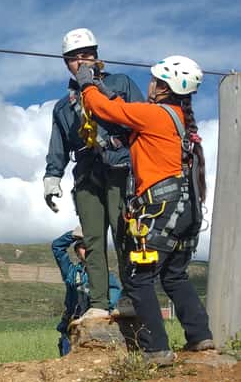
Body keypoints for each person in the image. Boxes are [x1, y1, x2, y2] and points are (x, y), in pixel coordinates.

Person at [77, 55, 215, 365]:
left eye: (154, 80)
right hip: (186, 210)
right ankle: (200, 335)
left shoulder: (154, 115)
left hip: (160, 208)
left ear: (164, 87)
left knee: (138, 278)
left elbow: (105, 109)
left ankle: (156, 350)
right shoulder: (178, 120)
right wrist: (103, 87)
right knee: (174, 275)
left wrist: (87, 84)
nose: (149, 84)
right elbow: (124, 112)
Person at [44, 28, 144, 321]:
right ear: (67, 64)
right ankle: (99, 303)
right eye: (74, 58)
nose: (81, 61)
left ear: (97, 57)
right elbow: (58, 147)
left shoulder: (120, 84)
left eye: (86, 55)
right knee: (92, 241)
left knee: (125, 234)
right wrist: (52, 177)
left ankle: (131, 297)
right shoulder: (63, 107)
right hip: (87, 175)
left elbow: (143, 122)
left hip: (120, 168)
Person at [53, 225, 121, 355]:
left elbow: (114, 295)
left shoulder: (105, 274)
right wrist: (74, 234)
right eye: (83, 247)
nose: (87, 250)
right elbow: (57, 247)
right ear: (77, 252)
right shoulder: (72, 273)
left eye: (90, 246)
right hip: (71, 328)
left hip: (96, 326)